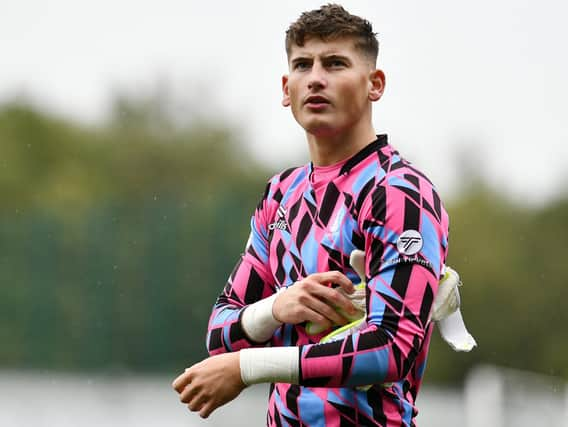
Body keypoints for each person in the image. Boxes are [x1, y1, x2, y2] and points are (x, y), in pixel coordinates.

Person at [173, 4, 458, 425]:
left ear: (374, 84)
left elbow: (392, 347)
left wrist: (247, 368)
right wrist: (276, 308)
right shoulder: (280, 195)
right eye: (303, 65)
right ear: (287, 89)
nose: (317, 78)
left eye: (336, 63)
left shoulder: (399, 192)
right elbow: (221, 330)